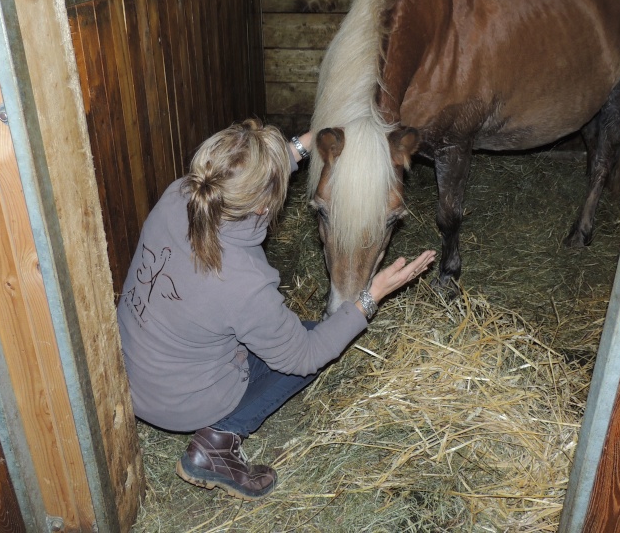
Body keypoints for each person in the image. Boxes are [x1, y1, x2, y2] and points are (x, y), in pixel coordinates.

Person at [117, 118, 436, 501]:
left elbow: (240, 178)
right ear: (265, 203)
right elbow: (305, 355)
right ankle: (218, 443)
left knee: (270, 332)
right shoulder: (244, 280)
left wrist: (303, 145)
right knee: (312, 341)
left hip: (132, 369)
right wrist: (372, 296)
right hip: (180, 402)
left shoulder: (181, 194)